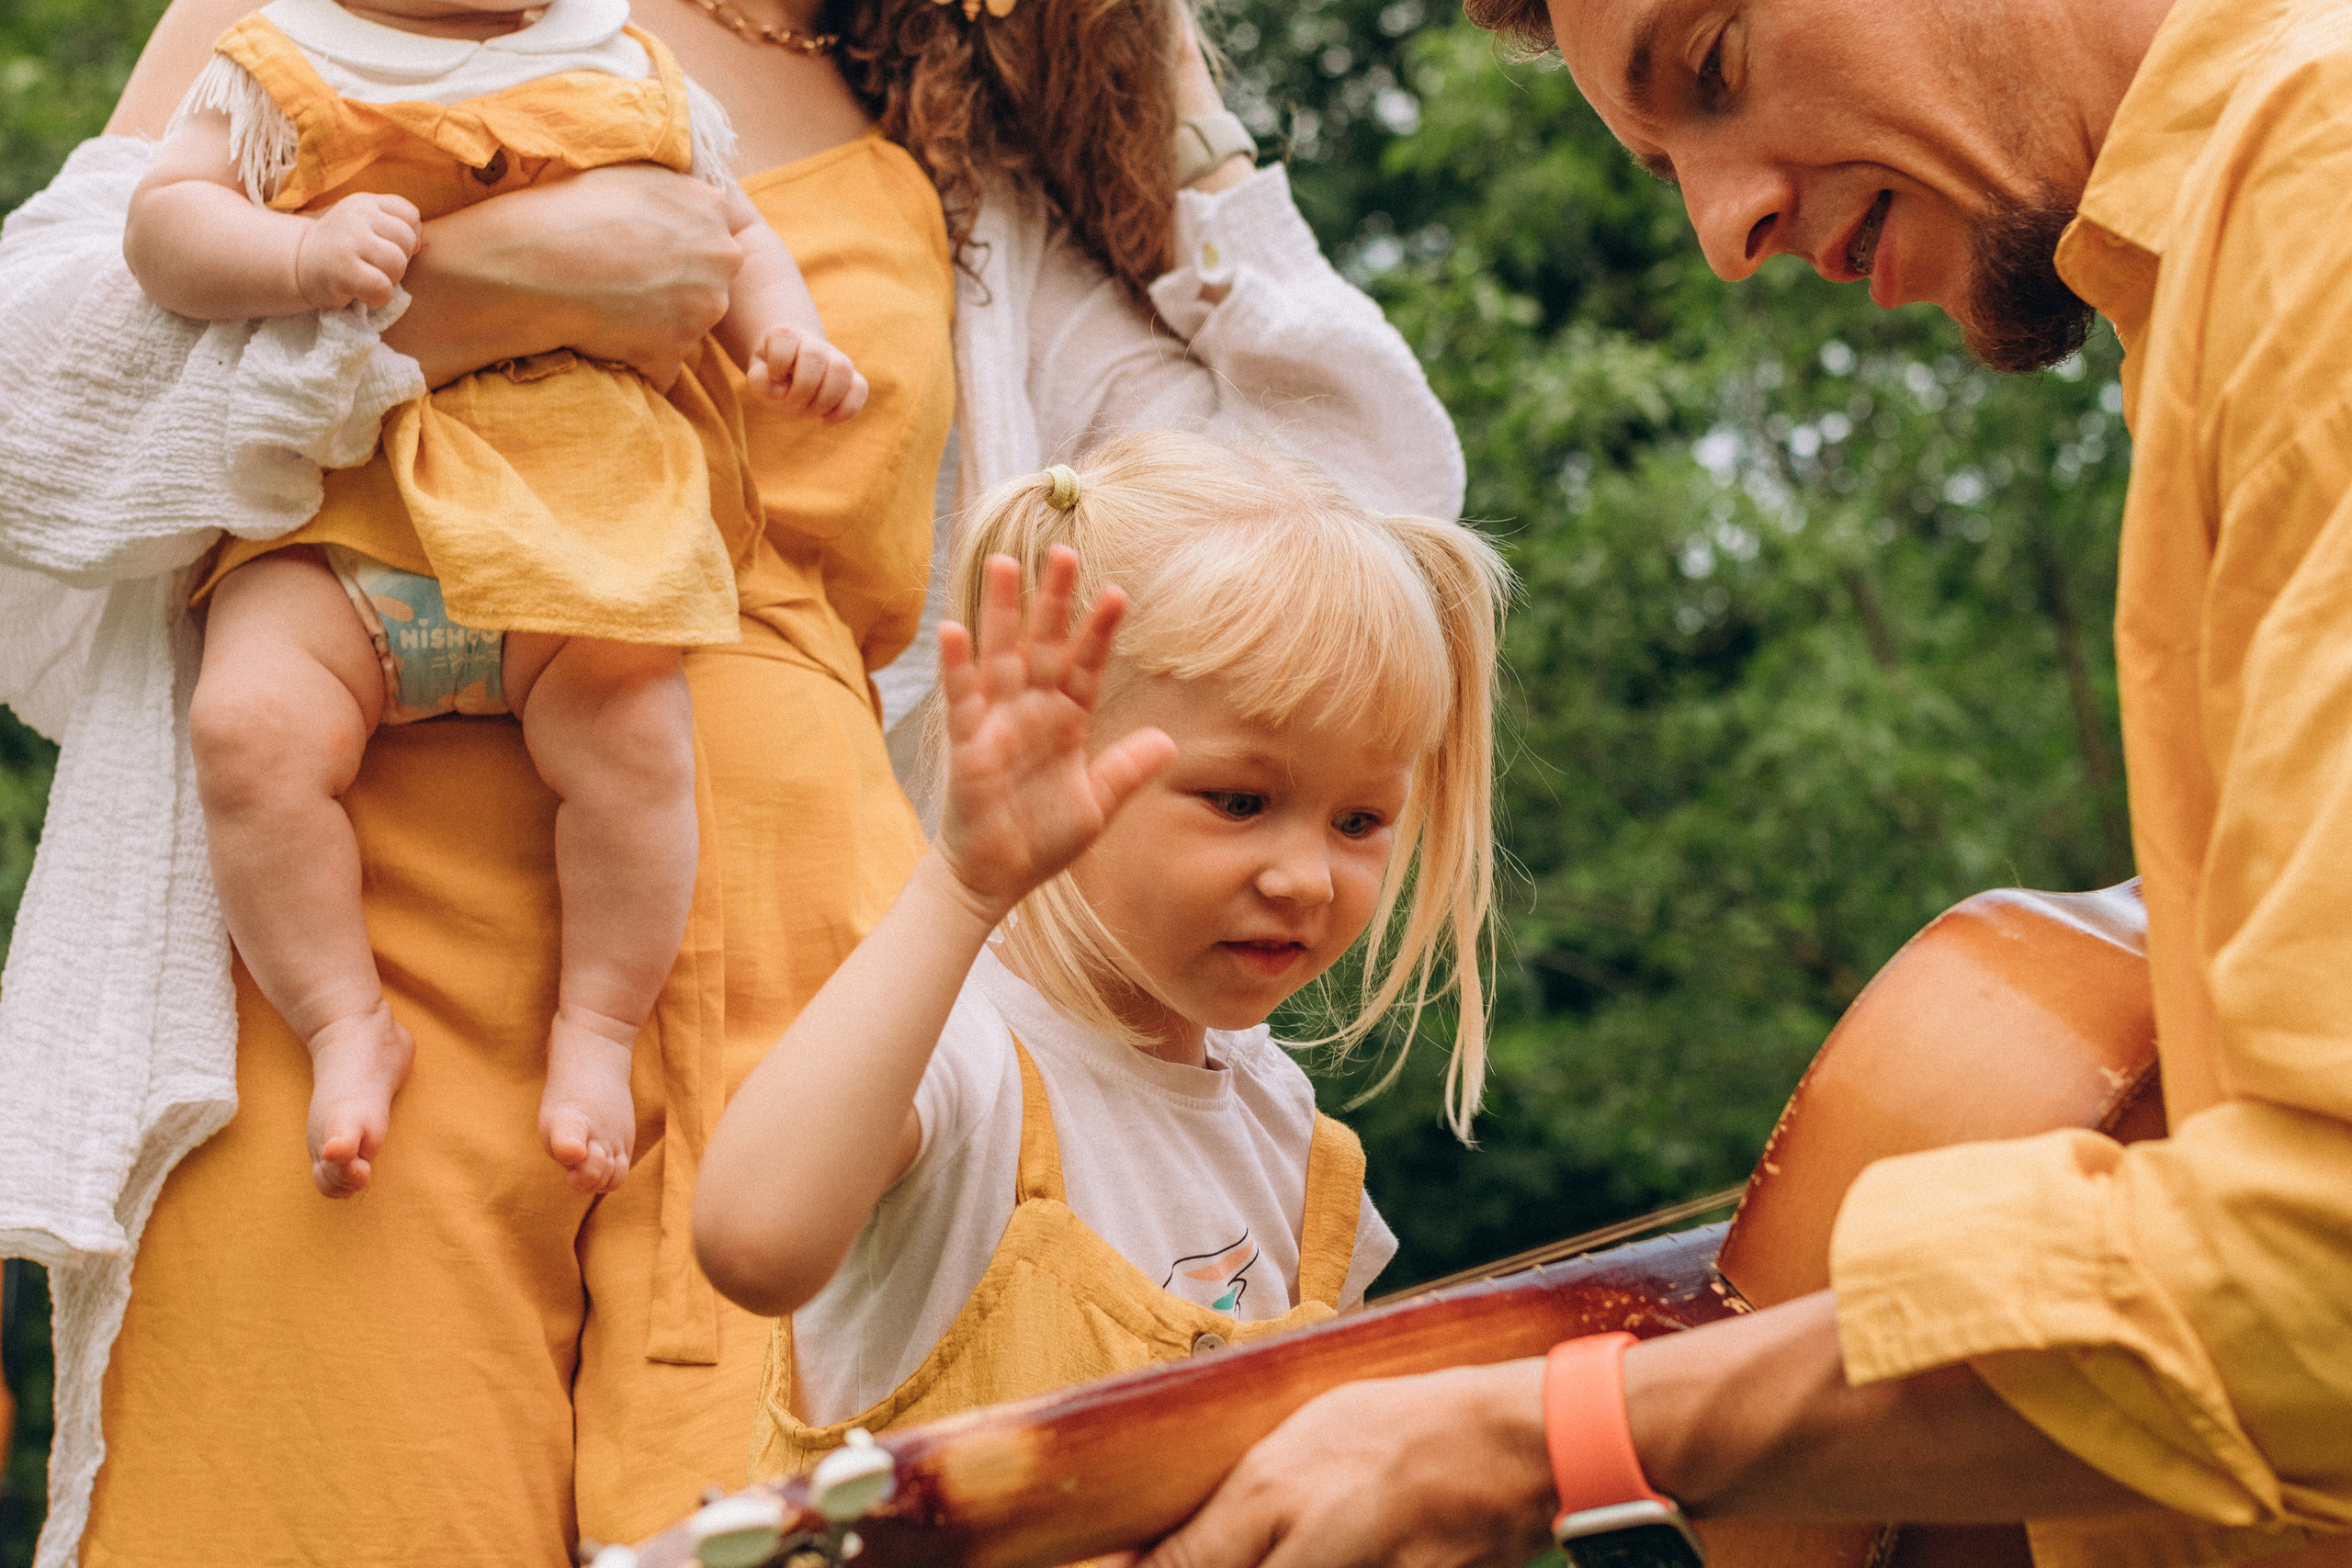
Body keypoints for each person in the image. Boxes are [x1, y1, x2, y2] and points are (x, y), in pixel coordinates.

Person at [0, 0, 1464, 1562]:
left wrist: (1157, 89)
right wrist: (463, 290)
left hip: (799, 985)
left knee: (768, 1513)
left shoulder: (935, 111)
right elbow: (27, 422)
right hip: (355, 954)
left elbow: (1354, 505)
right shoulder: (319, 20)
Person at [1136, 0, 2352, 1565]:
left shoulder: (2312, 204)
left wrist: (1556, 1430)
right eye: (1663, 167)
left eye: (1712, 66)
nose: (1726, 231)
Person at [124, 0, 868, 1200]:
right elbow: (162, 230)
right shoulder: (283, 62)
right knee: (247, 725)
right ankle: (342, 1018)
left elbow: (732, 229)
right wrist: (298, 258)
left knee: (634, 744)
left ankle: (597, 1025)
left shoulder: (621, 65)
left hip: (576, 519)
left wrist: (786, 334)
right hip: (351, 528)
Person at [689, 437, 1505, 1471]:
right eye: (1240, 801)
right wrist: (964, 885)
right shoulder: (962, 1055)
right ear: (1057, 767)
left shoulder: (1281, 1124)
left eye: (1359, 821)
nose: (1306, 876)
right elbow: (752, 1243)